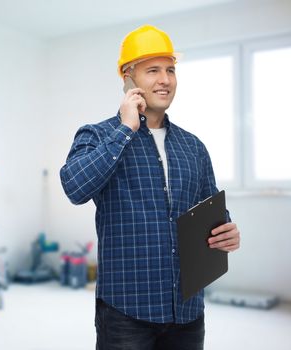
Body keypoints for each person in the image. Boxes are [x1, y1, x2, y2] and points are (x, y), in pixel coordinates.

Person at [60, 24, 240, 350]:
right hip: (126, 313)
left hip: (186, 311)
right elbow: (74, 187)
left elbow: (210, 209)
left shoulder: (193, 147)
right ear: (128, 78)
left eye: (170, 70)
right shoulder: (97, 136)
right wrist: (125, 128)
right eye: (153, 70)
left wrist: (226, 230)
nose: (165, 79)